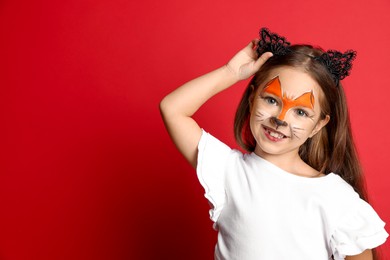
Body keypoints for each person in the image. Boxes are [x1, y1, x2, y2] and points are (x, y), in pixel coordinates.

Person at [160, 28, 388, 260]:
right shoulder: (229, 171)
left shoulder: (337, 198)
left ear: (319, 125)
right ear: (252, 99)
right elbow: (173, 109)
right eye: (271, 100)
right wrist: (231, 72)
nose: (280, 118)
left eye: (300, 112)